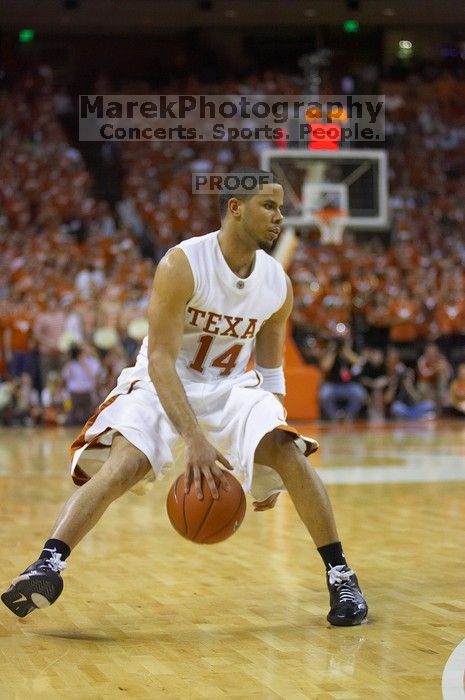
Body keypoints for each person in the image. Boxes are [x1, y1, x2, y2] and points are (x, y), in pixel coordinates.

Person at [1, 169, 368, 627]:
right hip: (165, 379)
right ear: (236, 208)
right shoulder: (183, 264)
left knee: (288, 449)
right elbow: (159, 358)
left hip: (231, 386)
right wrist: (192, 436)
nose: (280, 218)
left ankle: (340, 574)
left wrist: (270, 457)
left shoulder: (278, 283)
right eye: (269, 206)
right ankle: (48, 565)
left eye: (281, 209)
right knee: (127, 463)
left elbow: (270, 373)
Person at [319, 338, 367, 420]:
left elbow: (360, 362)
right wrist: (333, 351)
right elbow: (325, 367)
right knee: (324, 394)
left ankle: (349, 415)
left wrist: (346, 351)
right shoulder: (331, 354)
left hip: (348, 385)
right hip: (333, 385)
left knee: (359, 393)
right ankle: (334, 416)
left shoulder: (349, 353)